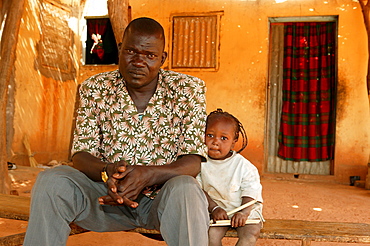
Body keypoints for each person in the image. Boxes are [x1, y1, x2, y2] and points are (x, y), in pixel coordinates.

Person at [23, 17, 209, 246]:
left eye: (149, 55)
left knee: (187, 189)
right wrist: (107, 171)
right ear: (120, 50)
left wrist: (147, 175)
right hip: (104, 198)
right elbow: (81, 155)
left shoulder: (188, 89)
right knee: (51, 181)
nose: (139, 61)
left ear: (162, 58)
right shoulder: (95, 88)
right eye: (131, 51)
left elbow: (191, 163)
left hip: (162, 202)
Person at [196, 109, 264, 246]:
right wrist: (214, 208)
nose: (215, 142)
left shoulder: (244, 166)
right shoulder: (199, 163)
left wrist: (243, 212)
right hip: (217, 212)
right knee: (210, 236)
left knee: (250, 236)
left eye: (223, 138)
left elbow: (251, 191)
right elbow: (197, 189)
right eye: (210, 135)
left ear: (233, 142)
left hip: (246, 212)